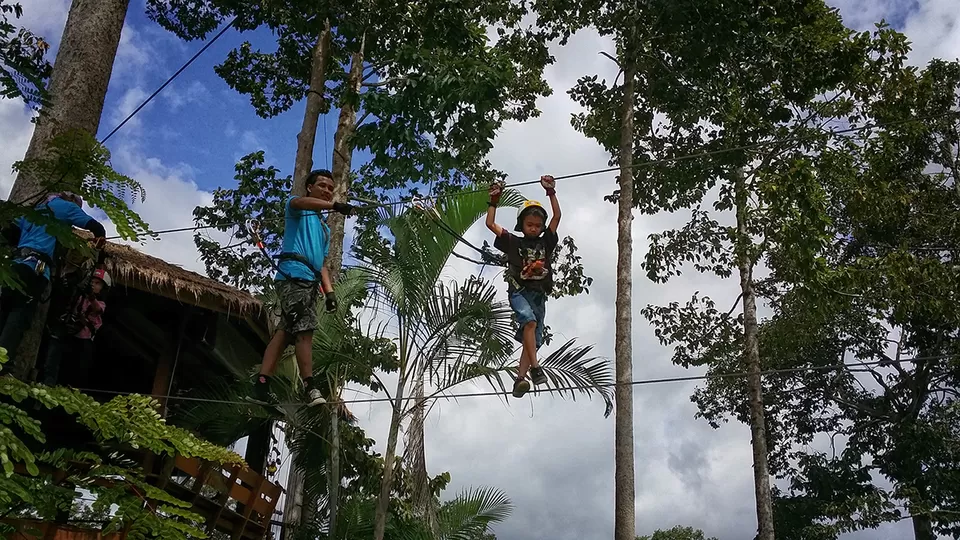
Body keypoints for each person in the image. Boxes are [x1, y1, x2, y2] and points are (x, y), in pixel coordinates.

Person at [248, 169, 355, 407]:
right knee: (305, 331)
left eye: (330, 188)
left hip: (310, 280)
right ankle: (311, 387)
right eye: (322, 186)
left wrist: (329, 293)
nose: (327, 190)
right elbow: (301, 202)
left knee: (285, 332)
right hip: (293, 275)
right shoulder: (297, 207)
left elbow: (322, 265)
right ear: (310, 187)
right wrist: (335, 206)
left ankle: (261, 386)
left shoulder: (325, 229)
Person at [0, 192, 106, 365]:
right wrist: (99, 244)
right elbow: (96, 227)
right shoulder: (66, 206)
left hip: (14, 267)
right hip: (35, 268)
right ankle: (2, 366)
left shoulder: (33, 211)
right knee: (19, 316)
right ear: (71, 200)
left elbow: (8, 233)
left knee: (4, 310)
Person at [486, 175, 561, 398]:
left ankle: (521, 378)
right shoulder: (515, 242)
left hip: (539, 295)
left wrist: (551, 192)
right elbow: (490, 224)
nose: (534, 229)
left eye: (538, 226)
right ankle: (536, 370)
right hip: (519, 291)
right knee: (528, 320)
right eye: (529, 225)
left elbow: (557, 216)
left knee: (534, 340)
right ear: (522, 225)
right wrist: (494, 201)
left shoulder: (546, 240)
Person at [42, 267, 110, 387]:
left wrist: (90, 295)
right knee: (55, 357)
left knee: (76, 368)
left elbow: (98, 309)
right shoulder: (78, 295)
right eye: (92, 282)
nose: (94, 285)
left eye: (98, 283)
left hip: (83, 340)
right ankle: (49, 383)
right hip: (69, 333)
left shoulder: (100, 303)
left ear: (103, 289)